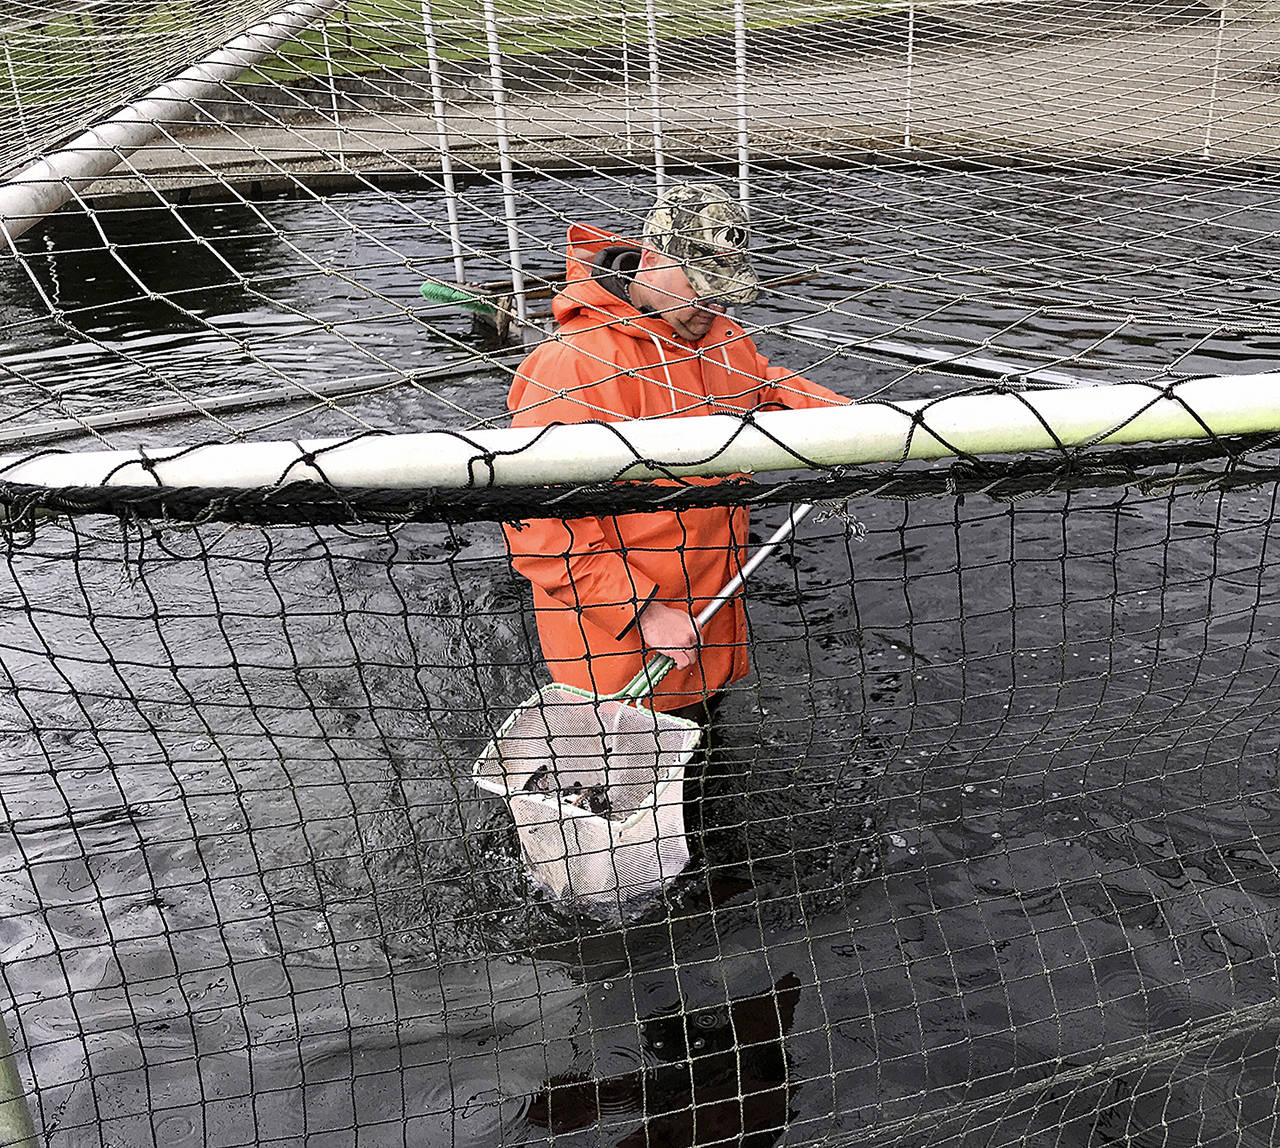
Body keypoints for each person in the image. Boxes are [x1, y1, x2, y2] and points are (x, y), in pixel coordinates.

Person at [502, 183, 849, 720]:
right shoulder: (568, 366)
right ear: (657, 257)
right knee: (622, 785)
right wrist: (642, 611)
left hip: (710, 622)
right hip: (614, 654)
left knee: (703, 761)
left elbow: (766, 388)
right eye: (704, 288)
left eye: (725, 292)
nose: (715, 306)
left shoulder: (721, 338)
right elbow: (539, 525)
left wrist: (856, 425)